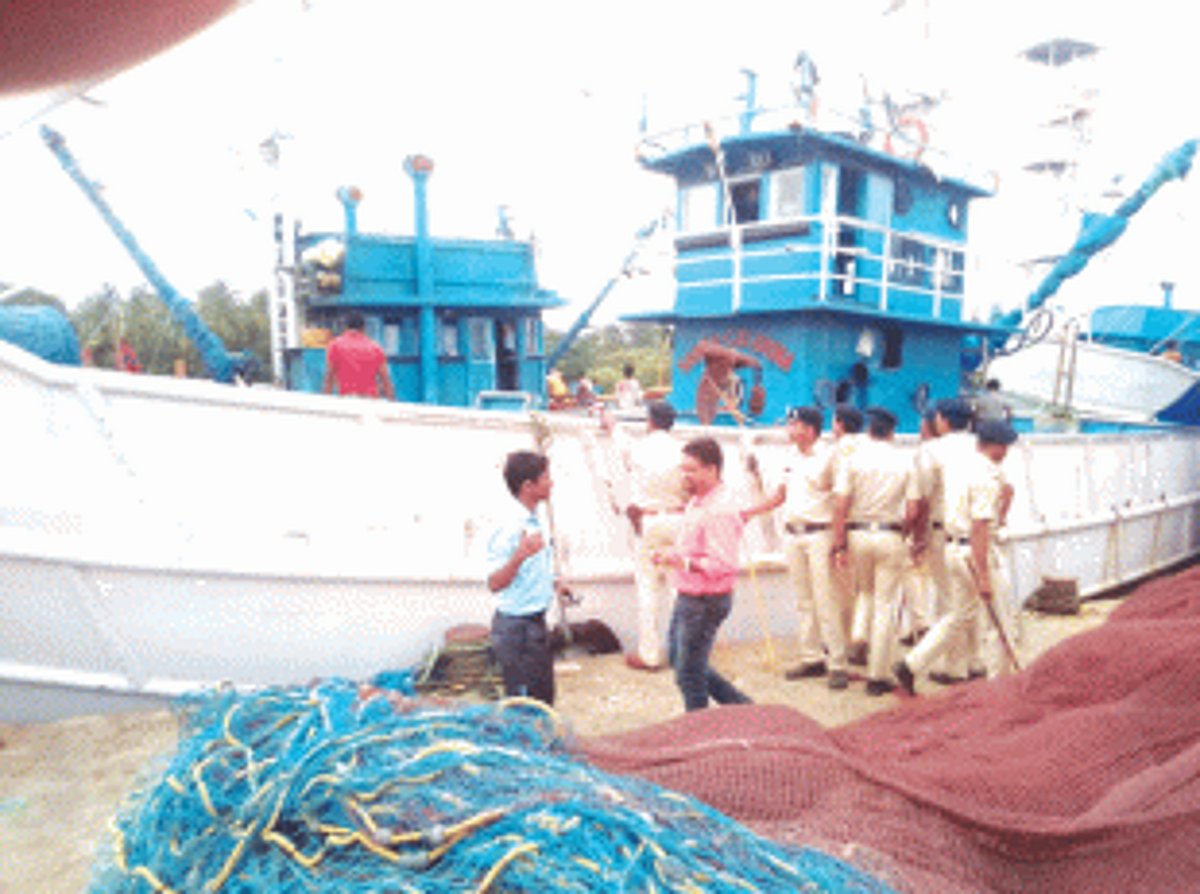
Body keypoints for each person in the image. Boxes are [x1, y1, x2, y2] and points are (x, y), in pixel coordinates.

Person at [895, 418, 1020, 696]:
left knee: (958, 616)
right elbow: (980, 526)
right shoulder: (988, 475)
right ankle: (999, 684)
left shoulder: (960, 467)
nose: (1007, 451)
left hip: (952, 549)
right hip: (975, 552)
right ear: (993, 446)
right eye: (1004, 446)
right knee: (1000, 618)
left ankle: (911, 664)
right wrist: (984, 575)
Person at [743, 406, 848, 689]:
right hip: (793, 534)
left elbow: (841, 501)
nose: (790, 429)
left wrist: (840, 543)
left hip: (820, 535)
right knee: (803, 600)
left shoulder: (830, 457)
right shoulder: (790, 458)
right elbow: (780, 496)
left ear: (810, 429)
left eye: (795, 424)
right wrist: (749, 512)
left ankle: (838, 663)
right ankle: (811, 657)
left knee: (826, 601)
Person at [652, 437, 754, 711]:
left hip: (705, 600)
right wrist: (673, 556)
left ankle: (699, 727)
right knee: (681, 660)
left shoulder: (718, 509)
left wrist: (681, 562)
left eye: (691, 470)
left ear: (712, 469)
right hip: (690, 596)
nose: (684, 476)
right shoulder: (698, 502)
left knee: (689, 673)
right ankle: (742, 707)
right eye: (682, 469)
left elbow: (721, 564)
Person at [832, 406, 920, 695]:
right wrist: (904, 532)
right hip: (889, 534)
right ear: (892, 432)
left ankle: (859, 634)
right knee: (885, 604)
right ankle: (877, 675)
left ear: (869, 430)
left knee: (865, 592)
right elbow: (912, 509)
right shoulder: (905, 462)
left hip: (857, 533)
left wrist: (839, 542)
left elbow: (841, 504)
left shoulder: (852, 460)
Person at [484, 450, 570, 705]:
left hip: (534, 625)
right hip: (516, 631)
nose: (551, 483)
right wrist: (519, 555)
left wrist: (554, 584)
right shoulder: (509, 526)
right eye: (546, 478)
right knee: (524, 705)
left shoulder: (533, 520)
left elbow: (533, 569)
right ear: (528, 486)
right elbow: (494, 583)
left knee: (543, 700)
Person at [613, 401, 688, 670]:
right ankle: (683, 653)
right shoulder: (683, 450)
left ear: (651, 421)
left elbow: (620, 444)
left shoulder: (639, 448)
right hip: (679, 519)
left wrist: (611, 425)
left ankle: (651, 654)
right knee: (679, 589)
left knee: (648, 589)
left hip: (649, 520)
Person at [914, 397, 983, 682]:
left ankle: (954, 667)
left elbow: (922, 498)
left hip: (946, 532)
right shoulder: (981, 444)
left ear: (941, 419)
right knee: (973, 600)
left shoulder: (931, 450)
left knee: (950, 600)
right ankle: (976, 660)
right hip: (980, 531)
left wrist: (918, 538)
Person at [322, 311, 395, 399]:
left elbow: (329, 378)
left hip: (347, 400)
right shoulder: (376, 348)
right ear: (363, 328)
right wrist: (392, 403)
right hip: (370, 402)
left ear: (346, 327)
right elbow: (386, 382)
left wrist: (325, 401)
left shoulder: (335, 346)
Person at [693, 338, 762, 425]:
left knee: (707, 405)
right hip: (713, 383)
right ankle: (706, 424)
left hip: (718, 383)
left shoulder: (729, 359)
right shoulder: (720, 360)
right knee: (706, 405)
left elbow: (753, 363)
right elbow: (704, 347)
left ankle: (706, 424)